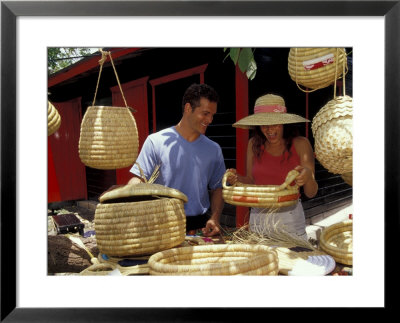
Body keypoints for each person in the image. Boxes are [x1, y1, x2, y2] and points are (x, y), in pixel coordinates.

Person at [128, 83, 226, 237]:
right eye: (205, 113)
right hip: (161, 224)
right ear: (188, 108)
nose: (210, 119)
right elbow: (139, 179)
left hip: (200, 227)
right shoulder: (156, 141)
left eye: (212, 115)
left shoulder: (214, 149)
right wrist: (125, 197)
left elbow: (217, 188)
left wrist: (215, 217)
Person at [227, 93, 318, 240]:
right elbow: (251, 180)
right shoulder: (253, 144)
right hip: (258, 217)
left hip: (289, 219)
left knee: (291, 262)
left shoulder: (301, 144)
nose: (269, 130)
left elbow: (311, 192)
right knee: (261, 261)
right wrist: (236, 179)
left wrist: (307, 176)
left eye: (274, 124)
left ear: (284, 123)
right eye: (264, 125)